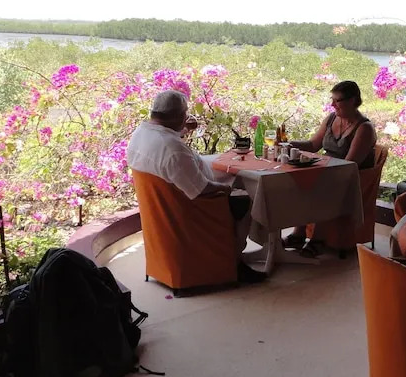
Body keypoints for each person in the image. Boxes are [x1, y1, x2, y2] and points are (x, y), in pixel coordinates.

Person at [127, 89, 266, 283]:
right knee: (245, 198)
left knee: (230, 173)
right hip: (192, 212)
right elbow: (201, 189)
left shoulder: (141, 133)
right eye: (185, 114)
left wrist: (183, 130)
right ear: (178, 116)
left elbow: (169, 149)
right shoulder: (173, 149)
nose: (187, 117)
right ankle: (235, 261)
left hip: (168, 207)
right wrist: (226, 189)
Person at [284, 80, 376, 251]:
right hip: (327, 170)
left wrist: (320, 170)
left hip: (350, 178)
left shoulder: (364, 128)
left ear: (352, 101)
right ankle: (299, 233)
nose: (332, 105)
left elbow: (348, 165)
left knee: (319, 186)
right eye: (332, 100)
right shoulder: (331, 119)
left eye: (337, 100)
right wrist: (289, 144)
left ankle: (317, 239)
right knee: (298, 182)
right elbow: (313, 145)